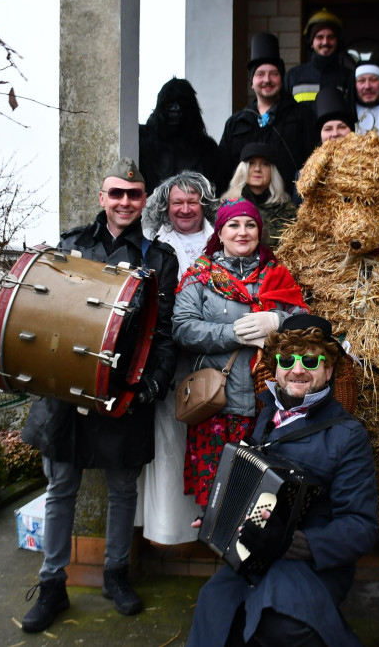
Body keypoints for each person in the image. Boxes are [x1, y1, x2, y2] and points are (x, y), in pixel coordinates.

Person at [19, 158, 178, 632]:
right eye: (116, 194)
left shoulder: (159, 257)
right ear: (102, 197)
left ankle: (116, 575)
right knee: (60, 488)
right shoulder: (70, 245)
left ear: (144, 200)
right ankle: (52, 585)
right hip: (67, 389)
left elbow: (164, 332)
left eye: (134, 194)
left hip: (124, 390)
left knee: (123, 489)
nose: (125, 202)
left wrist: (154, 383)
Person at [186, 314, 379, 647]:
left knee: (279, 626)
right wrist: (221, 519)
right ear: (276, 369)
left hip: (312, 565)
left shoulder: (348, 436)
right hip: (255, 556)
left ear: (328, 370)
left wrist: (289, 543)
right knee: (214, 608)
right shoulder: (267, 416)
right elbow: (256, 488)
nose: (297, 369)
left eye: (310, 360)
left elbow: (361, 527)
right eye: (287, 360)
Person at [172, 199, 308, 508]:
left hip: (270, 406)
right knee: (218, 503)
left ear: (260, 232)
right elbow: (182, 328)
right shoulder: (199, 277)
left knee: (264, 500)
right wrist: (233, 334)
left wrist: (278, 321)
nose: (242, 232)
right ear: (220, 233)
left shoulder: (277, 275)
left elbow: (305, 323)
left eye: (250, 225)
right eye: (233, 225)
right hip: (218, 407)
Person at [135, 171, 219, 545]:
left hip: (213, 357)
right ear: (165, 207)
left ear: (204, 204)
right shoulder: (152, 243)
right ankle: (168, 528)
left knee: (208, 438)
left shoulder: (221, 239)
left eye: (192, 201)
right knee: (170, 438)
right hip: (167, 358)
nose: (185, 209)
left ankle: (212, 522)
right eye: (177, 202)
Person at [220, 33, 318, 196]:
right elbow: (223, 172)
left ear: (281, 79)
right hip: (245, 208)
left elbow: (313, 164)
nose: (267, 79)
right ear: (252, 82)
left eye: (273, 73)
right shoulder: (236, 123)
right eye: (260, 74)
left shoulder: (302, 117)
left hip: (289, 206)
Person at [139, 78, 228, 194]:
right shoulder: (144, 142)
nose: (176, 109)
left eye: (181, 103)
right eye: (170, 103)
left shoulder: (208, 151)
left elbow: (217, 191)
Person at [222, 142, 297, 247]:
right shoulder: (227, 205)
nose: (257, 169)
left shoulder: (287, 209)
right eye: (251, 163)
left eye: (265, 164)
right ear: (242, 169)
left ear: (272, 171)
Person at [284, 8, 355, 106]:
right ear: (311, 42)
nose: (325, 42)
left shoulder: (350, 78)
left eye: (330, 37)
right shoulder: (293, 76)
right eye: (320, 37)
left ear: (337, 42)